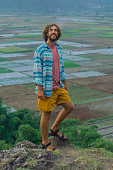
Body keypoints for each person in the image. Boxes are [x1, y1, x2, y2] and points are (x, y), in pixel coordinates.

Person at [32, 23, 74, 151]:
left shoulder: (59, 49)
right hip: (46, 87)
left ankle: (54, 129)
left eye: (55, 30)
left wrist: (64, 83)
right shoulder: (41, 50)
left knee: (69, 106)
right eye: (51, 30)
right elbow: (37, 70)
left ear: (58, 33)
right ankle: (45, 142)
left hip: (58, 86)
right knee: (46, 113)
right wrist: (39, 88)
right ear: (47, 33)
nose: (54, 32)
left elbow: (61, 68)